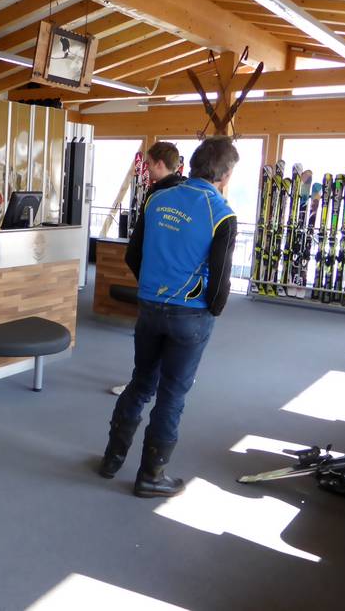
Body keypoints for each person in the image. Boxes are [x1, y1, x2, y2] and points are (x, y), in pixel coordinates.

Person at [98, 135, 239, 498]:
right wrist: (211, 312)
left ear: (191, 164)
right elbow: (220, 282)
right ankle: (151, 476)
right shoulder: (222, 213)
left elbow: (133, 255)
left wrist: (152, 288)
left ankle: (111, 460)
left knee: (140, 383)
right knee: (171, 395)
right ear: (225, 174)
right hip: (190, 316)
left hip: (149, 308)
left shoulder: (157, 198)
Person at [110, 141, 185, 396]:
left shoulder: (157, 196)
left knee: (150, 341)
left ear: (160, 164)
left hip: (155, 284)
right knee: (169, 337)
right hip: (177, 282)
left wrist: (144, 278)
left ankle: (143, 384)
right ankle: (169, 377)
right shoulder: (188, 194)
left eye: (150, 164)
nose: (148, 168)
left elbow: (136, 249)